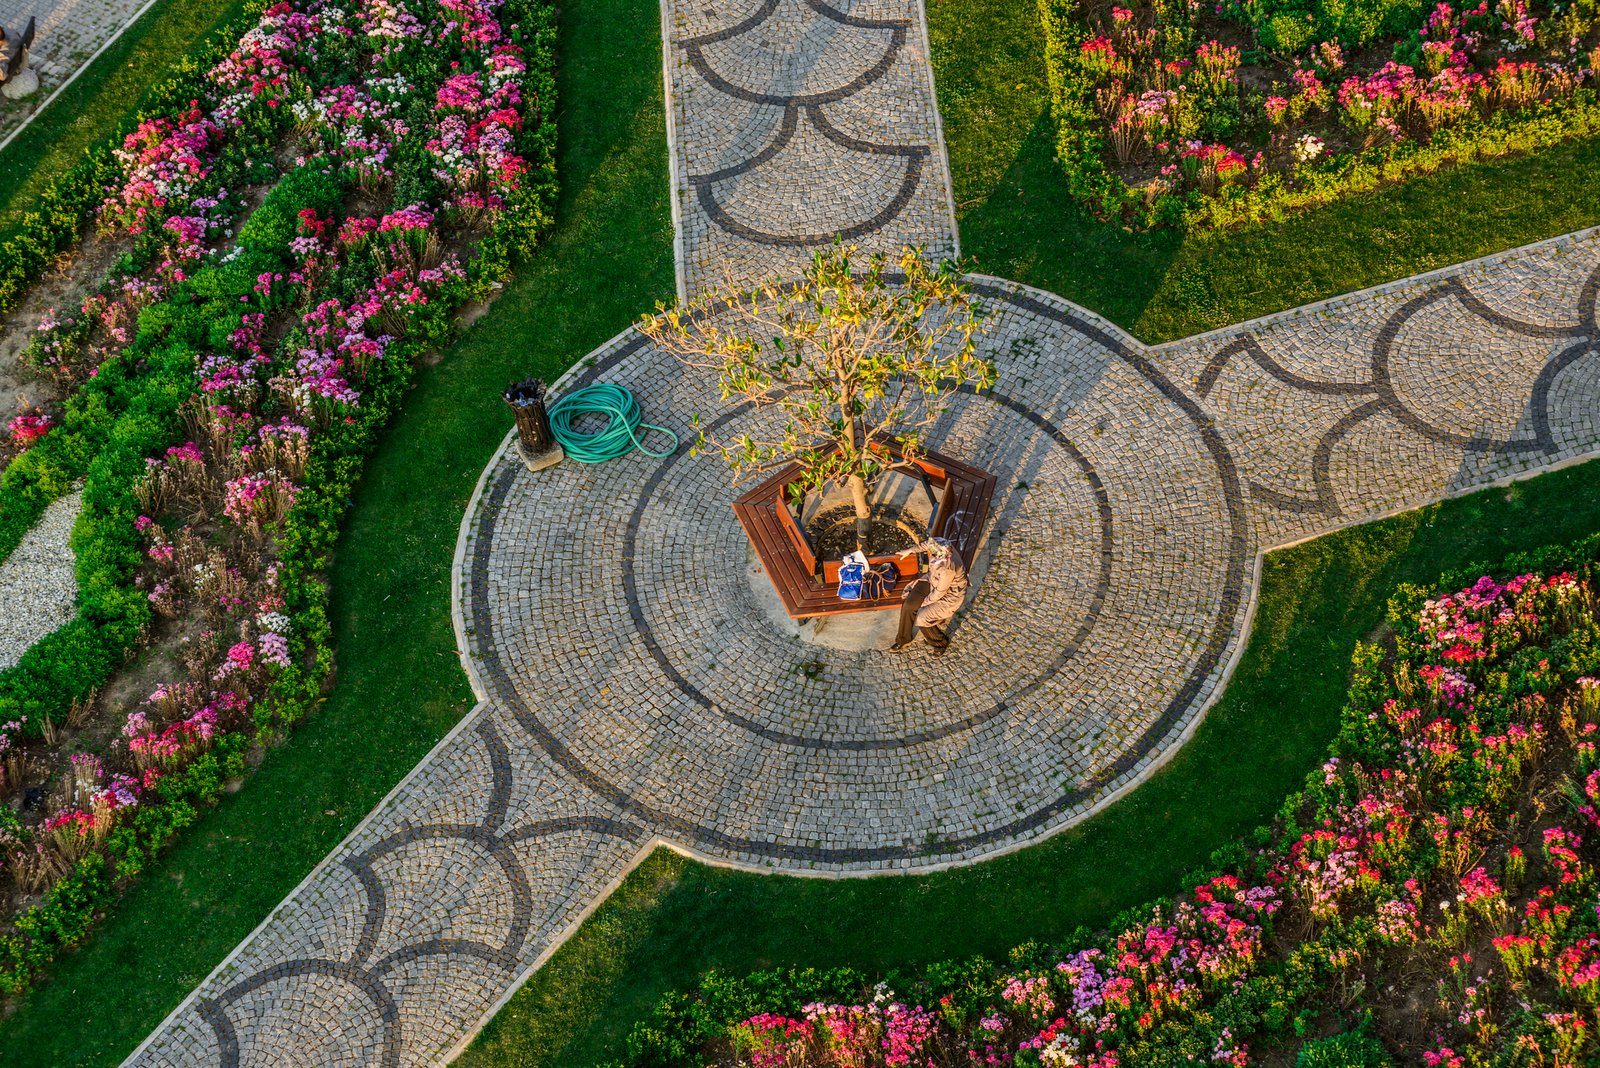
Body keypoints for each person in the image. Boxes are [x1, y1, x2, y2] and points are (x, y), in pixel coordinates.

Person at [888, 537, 968, 656]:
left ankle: (940, 642)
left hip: (950, 595)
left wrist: (925, 602)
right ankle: (903, 639)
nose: (932, 553)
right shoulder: (942, 544)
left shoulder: (948, 569)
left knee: (923, 618)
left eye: (934, 553)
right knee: (909, 605)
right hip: (932, 580)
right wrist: (910, 550)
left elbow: (939, 592)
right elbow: (927, 544)